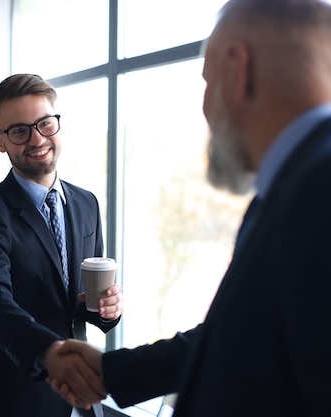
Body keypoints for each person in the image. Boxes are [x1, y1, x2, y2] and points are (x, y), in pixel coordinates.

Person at [49, 0, 331, 416]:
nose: (203, 108)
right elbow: (238, 336)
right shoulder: (291, 188)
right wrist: (114, 371)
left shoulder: (317, 189)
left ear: (237, 68)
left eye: (205, 80)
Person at [0, 73, 123, 417]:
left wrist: (107, 310)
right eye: (19, 130)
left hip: (82, 398)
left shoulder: (86, 203)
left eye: (44, 124)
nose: (36, 139)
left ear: (57, 126)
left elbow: (78, 302)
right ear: (0, 141)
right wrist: (49, 352)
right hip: (17, 401)